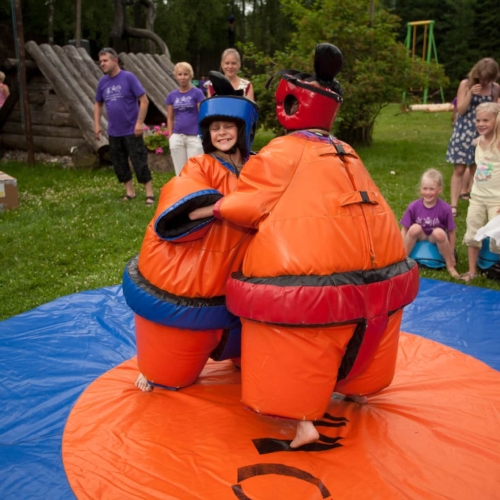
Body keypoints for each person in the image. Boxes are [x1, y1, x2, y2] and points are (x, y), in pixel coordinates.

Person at [190, 44, 419, 449]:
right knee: (359, 329)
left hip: (314, 276)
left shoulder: (283, 150)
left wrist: (212, 206)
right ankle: (359, 385)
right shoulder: (345, 149)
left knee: (298, 339)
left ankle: (303, 424)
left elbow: (250, 205)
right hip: (383, 271)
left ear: (290, 104)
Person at [121, 72, 259, 392]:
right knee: (169, 375)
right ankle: (158, 364)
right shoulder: (201, 166)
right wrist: (228, 207)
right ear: (207, 132)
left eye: (228, 126)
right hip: (199, 283)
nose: (222, 132)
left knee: (255, 358)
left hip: (248, 280)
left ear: (241, 128)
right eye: (215, 127)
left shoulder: (259, 165)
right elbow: (185, 209)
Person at [94, 48, 155, 206]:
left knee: (139, 161)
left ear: (115, 61)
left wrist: (139, 123)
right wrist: (96, 125)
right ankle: (130, 192)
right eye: (100, 61)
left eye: (105, 60)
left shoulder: (128, 78)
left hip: (132, 130)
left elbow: (144, 101)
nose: (102, 64)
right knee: (119, 162)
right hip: (114, 131)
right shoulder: (103, 82)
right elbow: (98, 104)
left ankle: (149, 193)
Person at [446, 58, 500, 217]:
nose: (484, 82)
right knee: (459, 169)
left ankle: (475, 200)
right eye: (482, 78)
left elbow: (494, 111)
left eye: (488, 79)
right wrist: (470, 93)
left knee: (477, 167)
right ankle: (453, 205)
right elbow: (460, 110)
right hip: (464, 130)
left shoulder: (495, 88)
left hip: (483, 132)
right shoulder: (465, 84)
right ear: (477, 74)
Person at [461, 102, 500, 282]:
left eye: (486, 120)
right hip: (477, 198)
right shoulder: (478, 141)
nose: (481, 123)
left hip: (496, 200)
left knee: (496, 237)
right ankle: (472, 271)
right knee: (473, 232)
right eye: (478, 120)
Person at [400, 169, 459, 278]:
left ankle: (450, 266)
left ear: (439, 190)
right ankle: (402, 261)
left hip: (434, 237)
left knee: (439, 233)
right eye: (425, 188)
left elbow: (451, 231)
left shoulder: (445, 208)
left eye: (432, 189)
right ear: (420, 189)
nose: (428, 192)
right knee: (414, 228)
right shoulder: (413, 206)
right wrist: (400, 249)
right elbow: (404, 229)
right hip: (420, 235)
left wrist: (451, 253)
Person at [166, 62, 205, 176]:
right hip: (177, 136)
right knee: (180, 171)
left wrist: (201, 135)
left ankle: (197, 192)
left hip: (194, 137)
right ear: (176, 76)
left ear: (190, 76)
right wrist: (170, 136)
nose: (182, 77)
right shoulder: (172, 96)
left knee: (195, 170)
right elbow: (170, 117)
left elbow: (202, 114)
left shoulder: (197, 93)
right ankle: (182, 193)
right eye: (180, 74)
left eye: (185, 74)